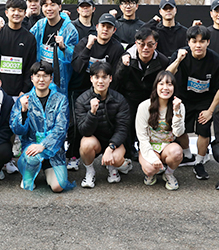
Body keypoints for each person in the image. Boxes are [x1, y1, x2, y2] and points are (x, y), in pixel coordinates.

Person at [166, 25, 219, 180]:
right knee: (180, 128)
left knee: (204, 129)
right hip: (183, 99)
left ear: (208, 42)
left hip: (205, 100)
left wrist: (210, 111)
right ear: (189, 42)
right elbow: (166, 76)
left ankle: (199, 161)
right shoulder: (180, 55)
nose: (198, 45)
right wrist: (178, 60)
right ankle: (187, 154)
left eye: (202, 41)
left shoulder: (216, 60)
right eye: (194, 41)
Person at [68, 13, 124, 169]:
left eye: (109, 27)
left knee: (105, 122)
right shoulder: (85, 42)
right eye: (103, 26)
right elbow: (77, 67)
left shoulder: (116, 47)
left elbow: (115, 75)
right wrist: (88, 47)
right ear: (97, 27)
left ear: (114, 30)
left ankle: (109, 155)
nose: (105, 29)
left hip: (103, 90)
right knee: (76, 124)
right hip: (80, 88)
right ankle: (73, 156)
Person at [10, 62, 75, 192]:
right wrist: (23, 111)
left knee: (58, 187)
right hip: (32, 147)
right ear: (32, 78)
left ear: (51, 78)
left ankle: (46, 169)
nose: (41, 79)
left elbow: (61, 128)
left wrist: (44, 145)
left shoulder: (60, 100)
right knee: (32, 156)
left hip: (53, 149)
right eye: (37, 75)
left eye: (45, 76)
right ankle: (29, 174)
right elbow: (17, 129)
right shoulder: (24, 99)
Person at [114, 27, 169, 160]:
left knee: (150, 123)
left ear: (155, 45)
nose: (145, 48)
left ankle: (147, 150)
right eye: (141, 44)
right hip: (130, 96)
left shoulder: (162, 61)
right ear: (136, 43)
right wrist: (124, 66)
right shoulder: (127, 57)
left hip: (151, 97)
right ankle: (129, 151)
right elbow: (117, 80)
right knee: (128, 122)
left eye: (150, 45)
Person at [75, 61, 132, 188]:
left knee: (117, 159)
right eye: (96, 77)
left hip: (114, 141)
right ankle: (90, 171)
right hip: (94, 141)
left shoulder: (120, 100)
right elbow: (84, 131)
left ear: (110, 79)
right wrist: (92, 112)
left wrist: (111, 147)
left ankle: (113, 167)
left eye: (104, 77)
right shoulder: (82, 100)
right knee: (86, 144)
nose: (100, 81)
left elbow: (122, 128)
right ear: (91, 79)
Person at [0, 0, 37, 99]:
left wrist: (25, 90)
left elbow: (30, 66)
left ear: (25, 13)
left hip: (19, 93)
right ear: (6, 13)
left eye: (20, 10)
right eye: (13, 10)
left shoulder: (29, 38)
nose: (16, 13)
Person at [136, 71, 185, 190]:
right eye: (161, 84)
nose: (165, 88)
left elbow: (178, 133)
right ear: (156, 86)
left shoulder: (179, 106)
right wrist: (153, 158)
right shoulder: (144, 106)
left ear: (174, 87)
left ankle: (168, 173)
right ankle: (152, 173)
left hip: (167, 146)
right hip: (149, 145)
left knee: (177, 153)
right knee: (150, 169)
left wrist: (177, 112)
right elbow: (142, 137)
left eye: (169, 84)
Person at [30, 0, 78, 98]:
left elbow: (75, 57)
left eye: (52, 5)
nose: (49, 9)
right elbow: (28, 40)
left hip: (59, 79)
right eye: (45, 5)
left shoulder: (70, 30)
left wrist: (64, 47)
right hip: (40, 76)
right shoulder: (39, 25)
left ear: (59, 7)